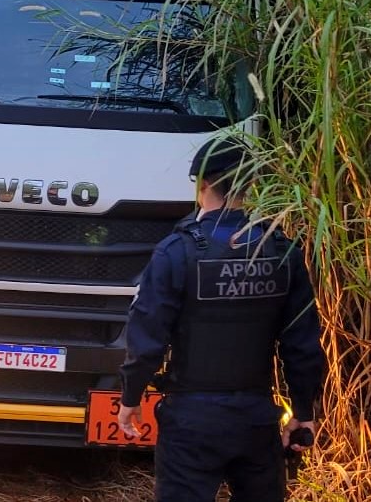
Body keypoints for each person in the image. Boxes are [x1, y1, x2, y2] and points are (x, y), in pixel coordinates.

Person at [118, 136, 326, 502]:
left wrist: (130, 396)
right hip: (257, 418)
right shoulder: (280, 250)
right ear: (250, 185)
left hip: (191, 421)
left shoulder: (177, 252)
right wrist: (304, 411)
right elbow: (302, 343)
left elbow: (148, 335)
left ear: (203, 184)